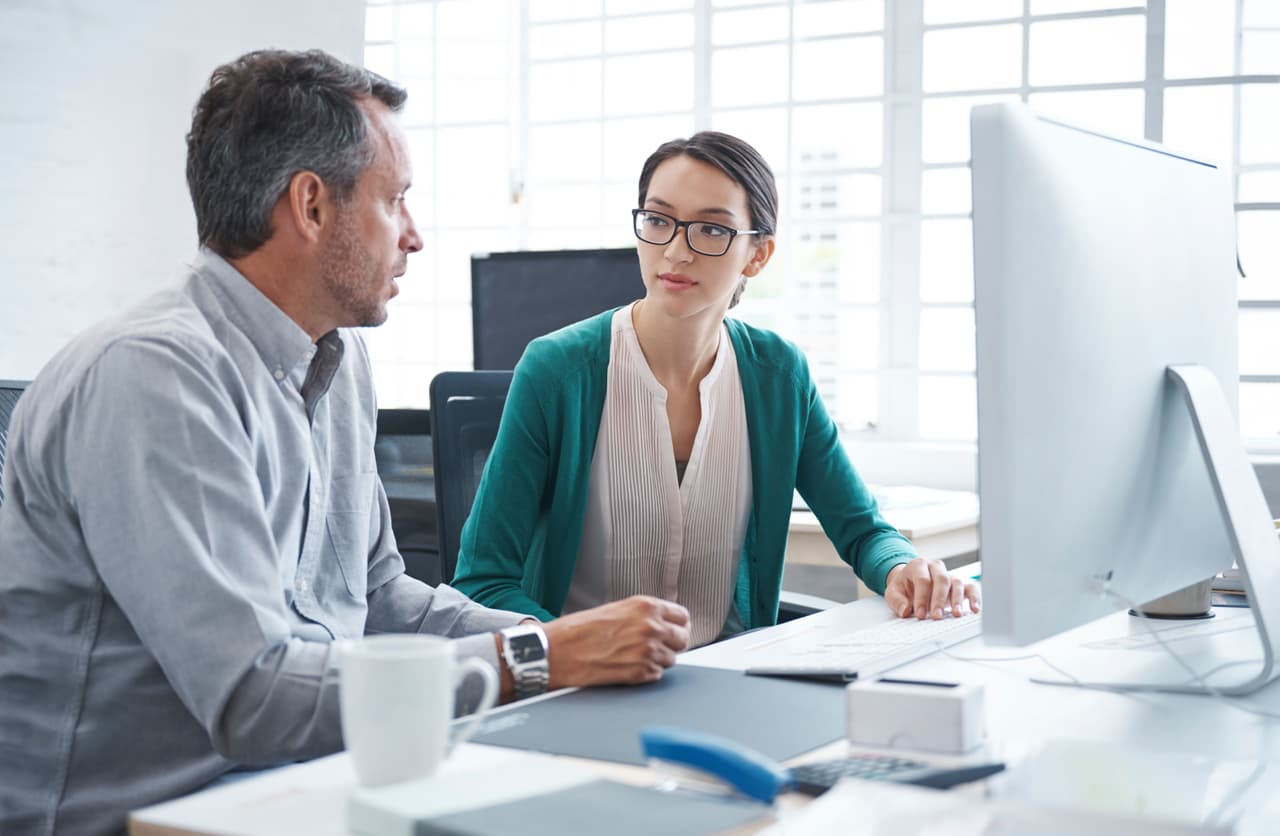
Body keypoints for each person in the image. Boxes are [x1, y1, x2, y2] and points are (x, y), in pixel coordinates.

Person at [0, 50, 689, 836]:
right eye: (396, 201)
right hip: (140, 817)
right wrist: (540, 662)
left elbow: (382, 599)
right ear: (312, 207)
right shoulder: (155, 378)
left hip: (298, 791)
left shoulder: (334, 354)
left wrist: (573, 640)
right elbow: (253, 697)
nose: (416, 237)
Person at [451, 131, 980, 647]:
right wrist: (573, 644)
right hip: (583, 685)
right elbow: (481, 583)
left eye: (711, 229)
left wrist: (902, 566)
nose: (676, 251)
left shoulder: (779, 376)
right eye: (658, 220)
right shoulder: (558, 370)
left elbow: (864, 531)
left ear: (758, 255)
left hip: (731, 677)